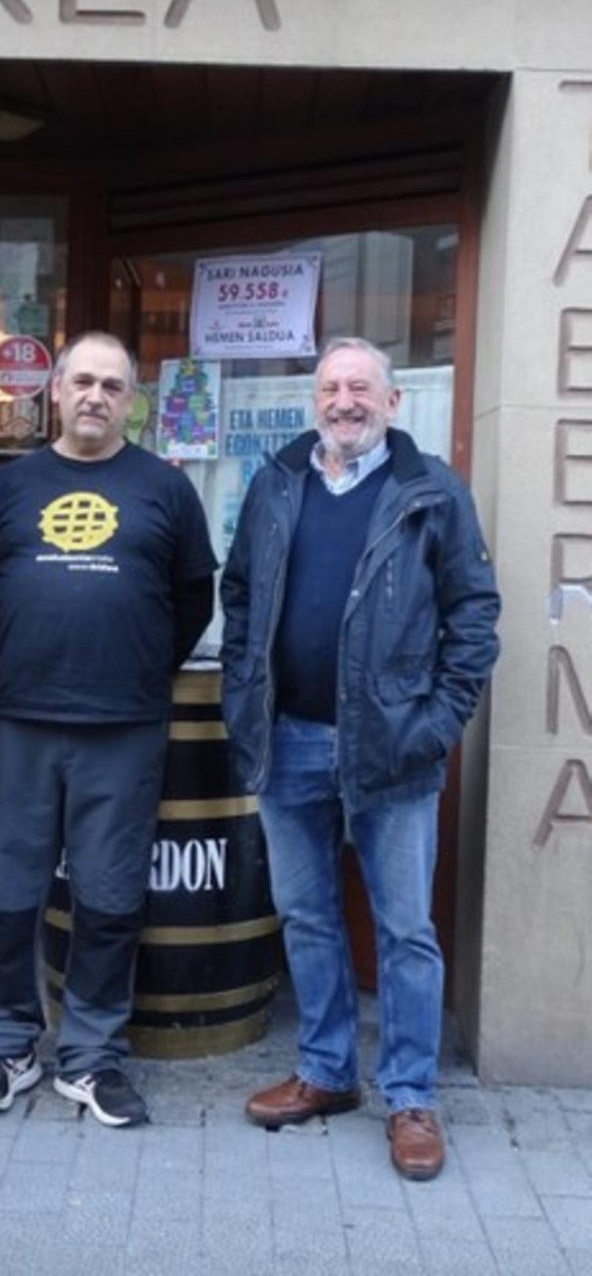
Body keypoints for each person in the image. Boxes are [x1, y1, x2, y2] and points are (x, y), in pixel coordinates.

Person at [220, 335, 500, 1181]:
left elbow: (475, 618)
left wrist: (435, 724)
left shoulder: (430, 492)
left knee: (405, 929)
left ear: (391, 403)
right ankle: (327, 1072)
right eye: (331, 387)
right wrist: (243, 697)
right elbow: (240, 596)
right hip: (289, 738)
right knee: (306, 916)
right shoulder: (277, 483)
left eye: (360, 388)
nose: (344, 400)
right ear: (317, 400)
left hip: (393, 747)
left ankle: (411, 1093)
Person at [0, 331, 216, 1128]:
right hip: (17, 722)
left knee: (109, 898)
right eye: (83, 381)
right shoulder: (7, 487)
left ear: (131, 399)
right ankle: (6, 1044)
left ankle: (91, 1055)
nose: (96, 396)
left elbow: (193, 599)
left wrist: (137, 664)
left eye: (113, 384)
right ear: (57, 393)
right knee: (10, 895)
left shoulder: (165, 490)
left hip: (124, 724)